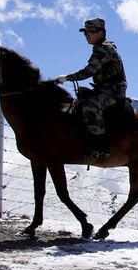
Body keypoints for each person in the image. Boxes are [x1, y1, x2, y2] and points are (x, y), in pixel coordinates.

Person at [54, 18, 127, 162]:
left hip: (114, 90)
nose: (87, 35)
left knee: (90, 106)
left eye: (90, 32)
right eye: (85, 33)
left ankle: (101, 147)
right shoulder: (99, 48)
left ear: (101, 32)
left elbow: (88, 71)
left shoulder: (104, 49)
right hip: (103, 89)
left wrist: (66, 78)